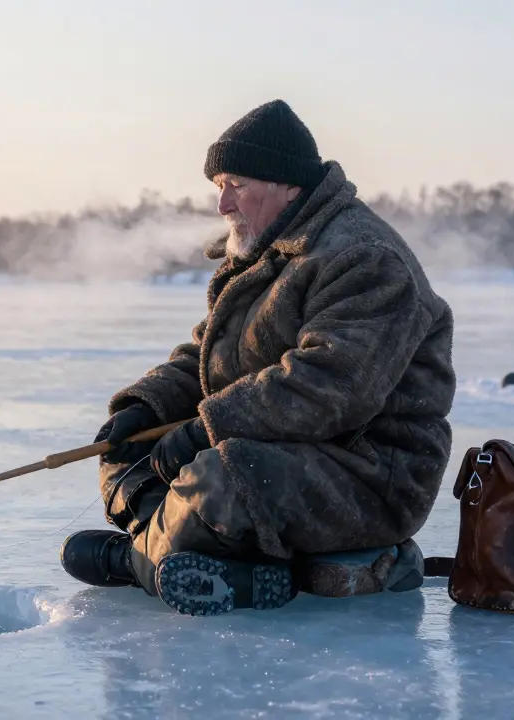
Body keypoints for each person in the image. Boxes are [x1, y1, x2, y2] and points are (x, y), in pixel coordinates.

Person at [60, 99, 456, 616]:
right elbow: (207, 354)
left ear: (287, 184)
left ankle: (136, 560)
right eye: (219, 185)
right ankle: (184, 542)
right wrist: (149, 406)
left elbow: (332, 384)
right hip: (286, 446)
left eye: (237, 185)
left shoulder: (365, 259)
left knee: (228, 475)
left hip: (369, 472)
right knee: (124, 447)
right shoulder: (267, 253)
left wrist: (207, 428)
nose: (223, 203)